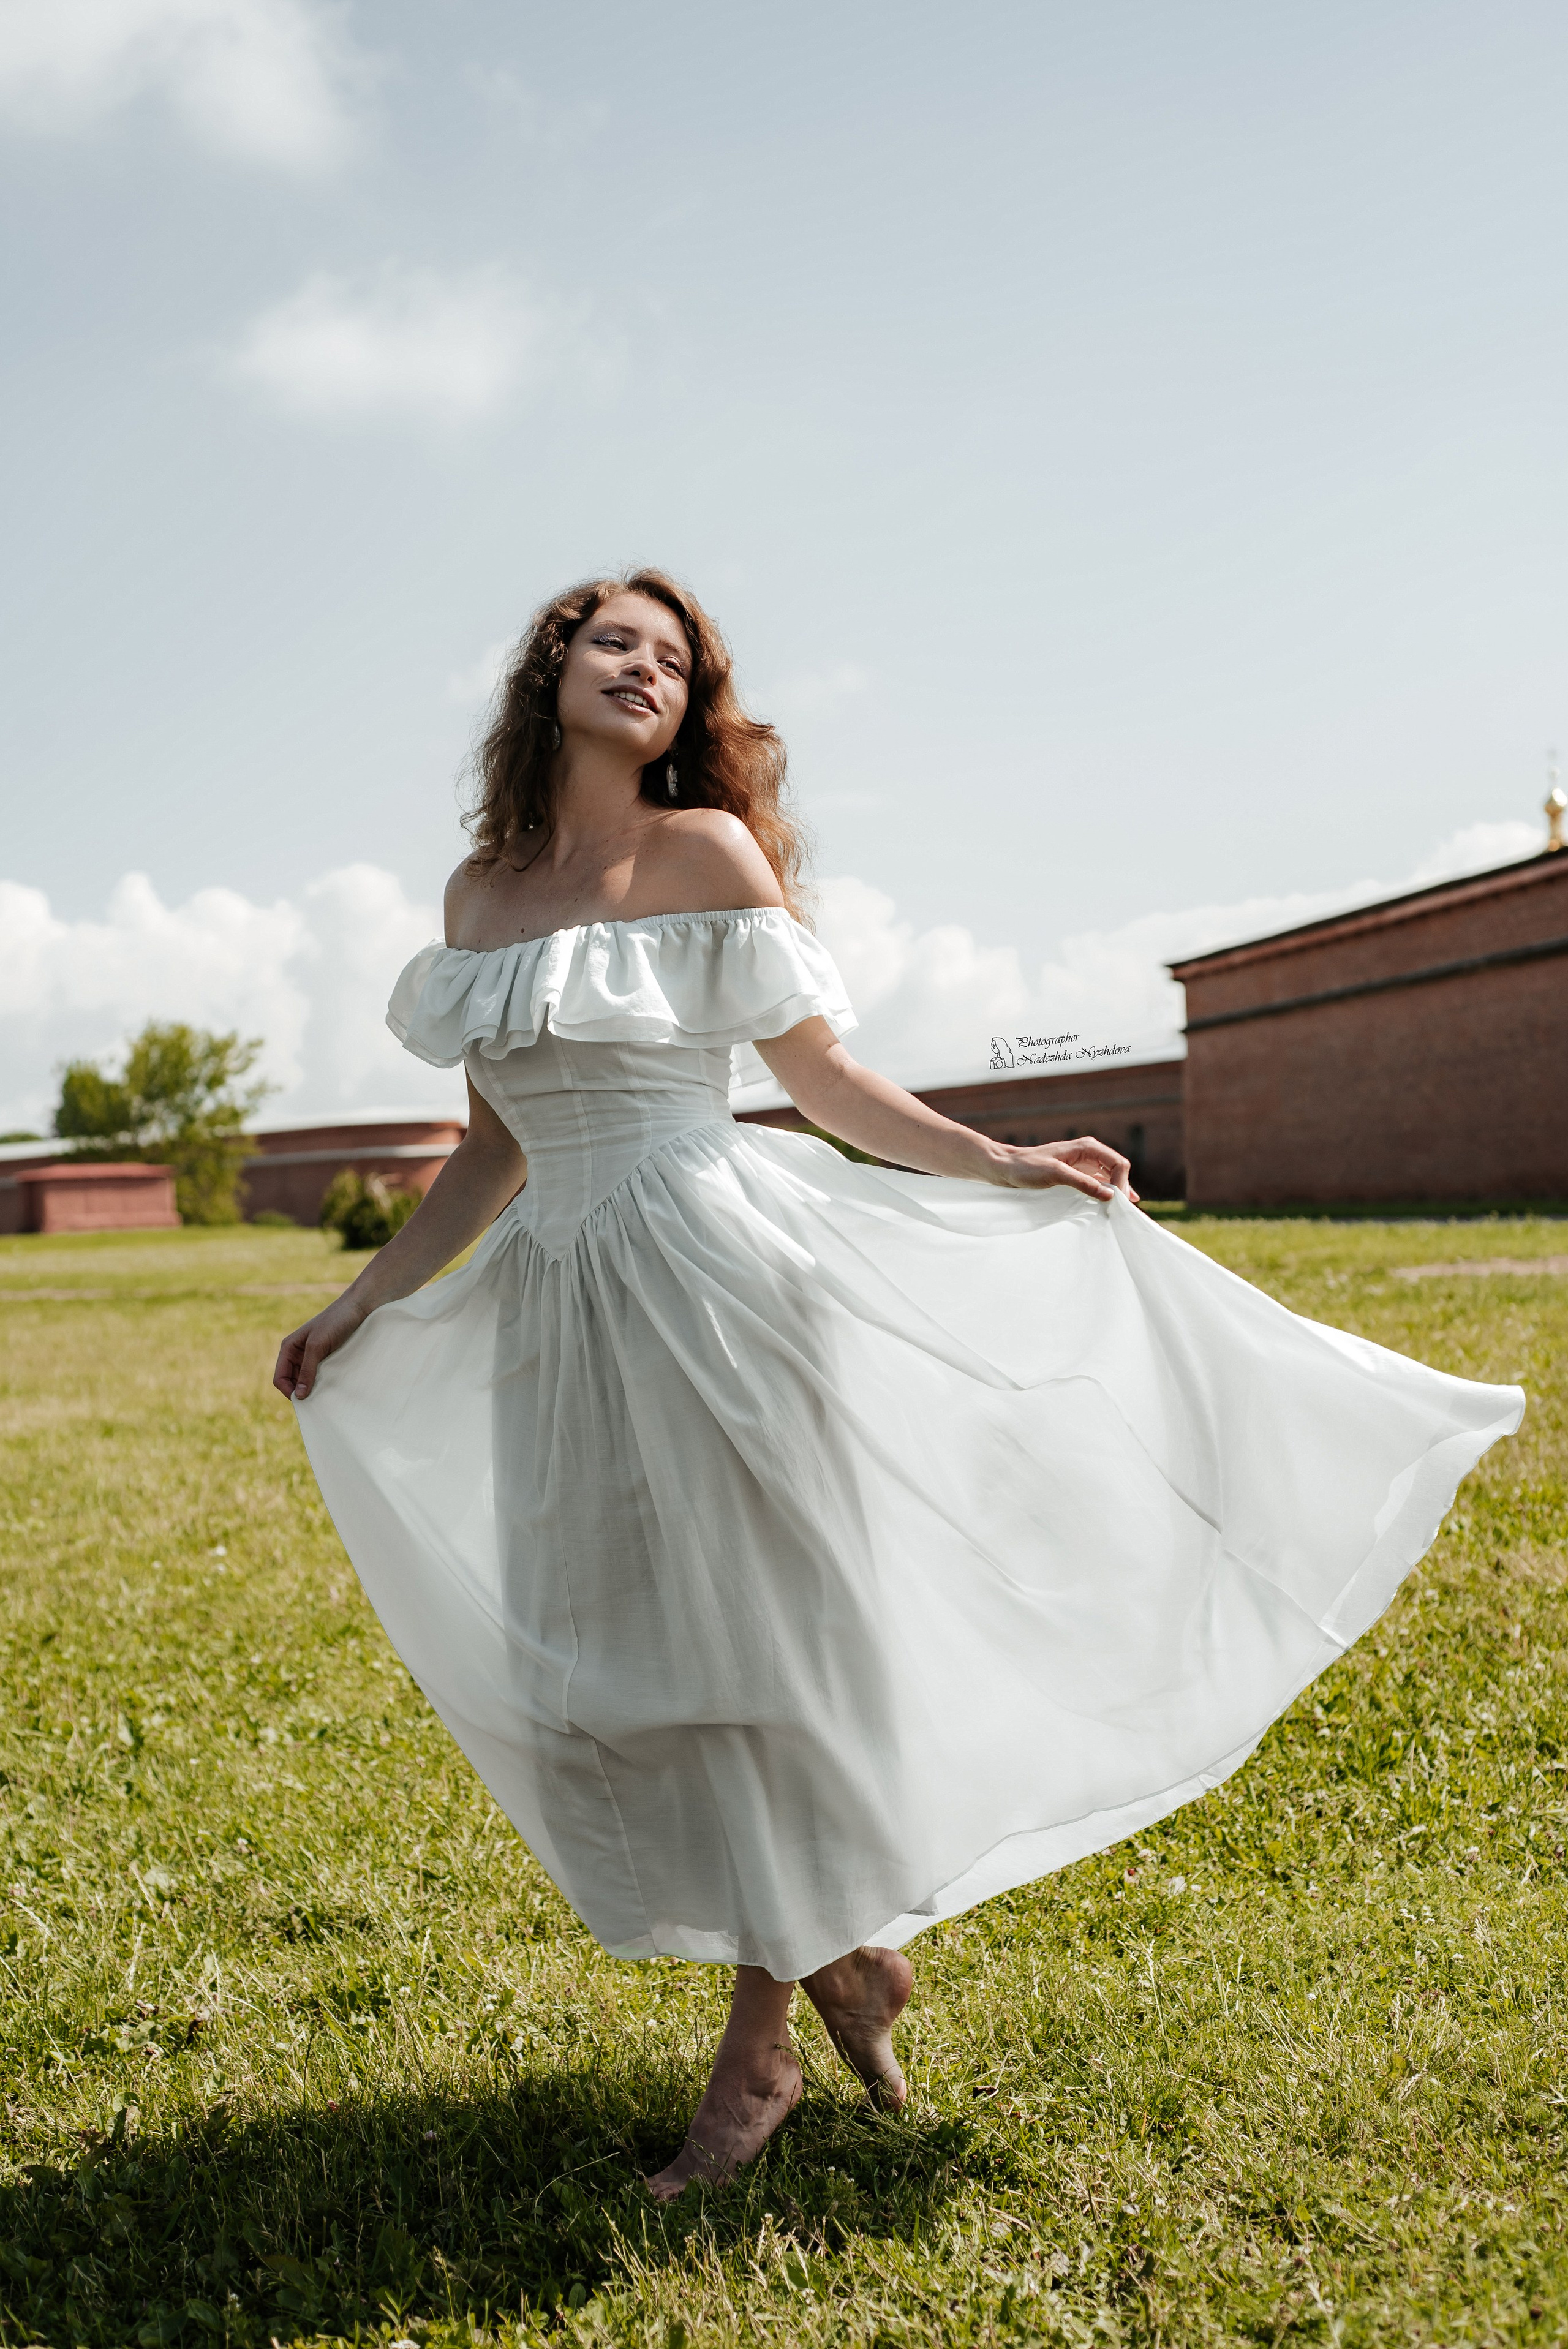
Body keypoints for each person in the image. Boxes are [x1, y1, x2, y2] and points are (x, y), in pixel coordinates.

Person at [274, 568, 1523, 2201]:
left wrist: (1004, 1156)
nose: (645, 671)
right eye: (615, 643)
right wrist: (362, 1295)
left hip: (721, 1285)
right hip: (566, 1312)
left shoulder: (707, 854)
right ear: (550, 669)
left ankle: (759, 2056)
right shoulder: (479, 895)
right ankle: (850, 1958)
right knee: (633, 1663)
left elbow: (824, 1083)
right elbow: (494, 1147)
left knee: (759, 1653)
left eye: (676, 659)